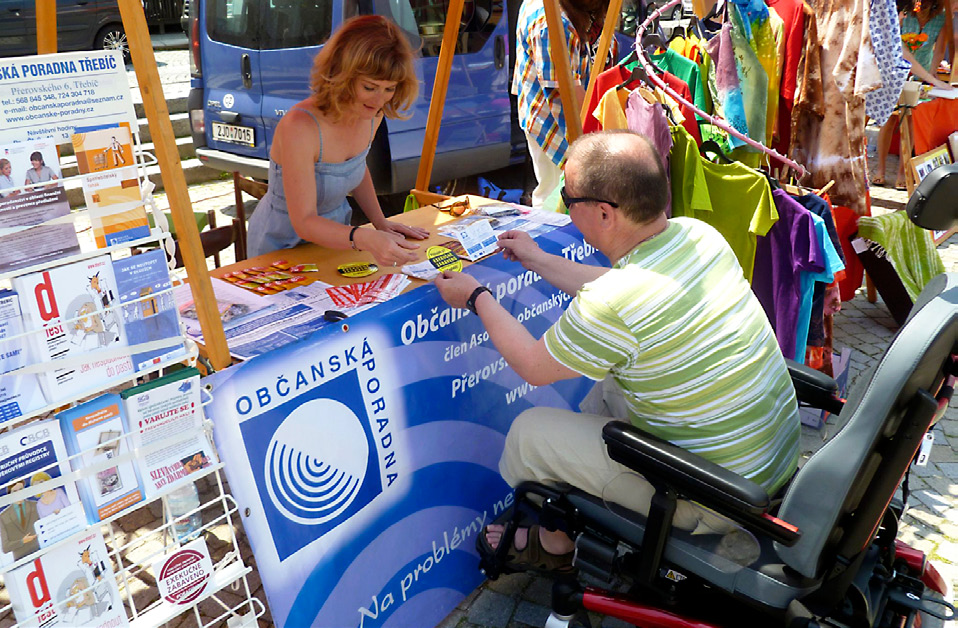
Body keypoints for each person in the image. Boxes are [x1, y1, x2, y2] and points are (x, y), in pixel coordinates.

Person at [434, 130, 801, 570]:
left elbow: (533, 365)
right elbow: (618, 290)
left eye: (569, 199)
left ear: (604, 213)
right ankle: (576, 505)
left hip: (712, 498)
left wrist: (478, 297)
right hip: (767, 464)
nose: (566, 207)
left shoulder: (616, 303)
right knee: (608, 381)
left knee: (528, 433)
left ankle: (554, 544)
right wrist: (538, 259)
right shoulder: (697, 236)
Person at [247, 15, 429, 265]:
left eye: (389, 89)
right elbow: (305, 222)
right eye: (370, 87)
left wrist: (381, 223)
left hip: (337, 238)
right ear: (343, 75)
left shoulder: (373, 114)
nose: (379, 100)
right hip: (280, 245)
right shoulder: (300, 127)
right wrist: (364, 237)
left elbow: (356, 166)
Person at [513, 0, 614, 207]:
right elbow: (564, 92)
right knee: (557, 198)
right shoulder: (551, 20)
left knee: (562, 195)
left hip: (552, 113)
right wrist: (593, 139)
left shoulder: (547, 9)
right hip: (554, 122)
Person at [875, 0, 952, 188]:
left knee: (910, 121)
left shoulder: (941, 18)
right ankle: (880, 169)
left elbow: (939, 49)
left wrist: (932, 75)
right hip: (893, 72)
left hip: (922, 72)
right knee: (888, 119)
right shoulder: (903, 12)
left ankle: (903, 172)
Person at [0, 480, 40, 559]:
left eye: (21, 490)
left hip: (42, 552)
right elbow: (5, 548)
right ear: (9, 494)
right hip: (21, 560)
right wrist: (22, 541)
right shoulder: (3, 517)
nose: (18, 493)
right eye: (14, 491)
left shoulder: (35, 505)